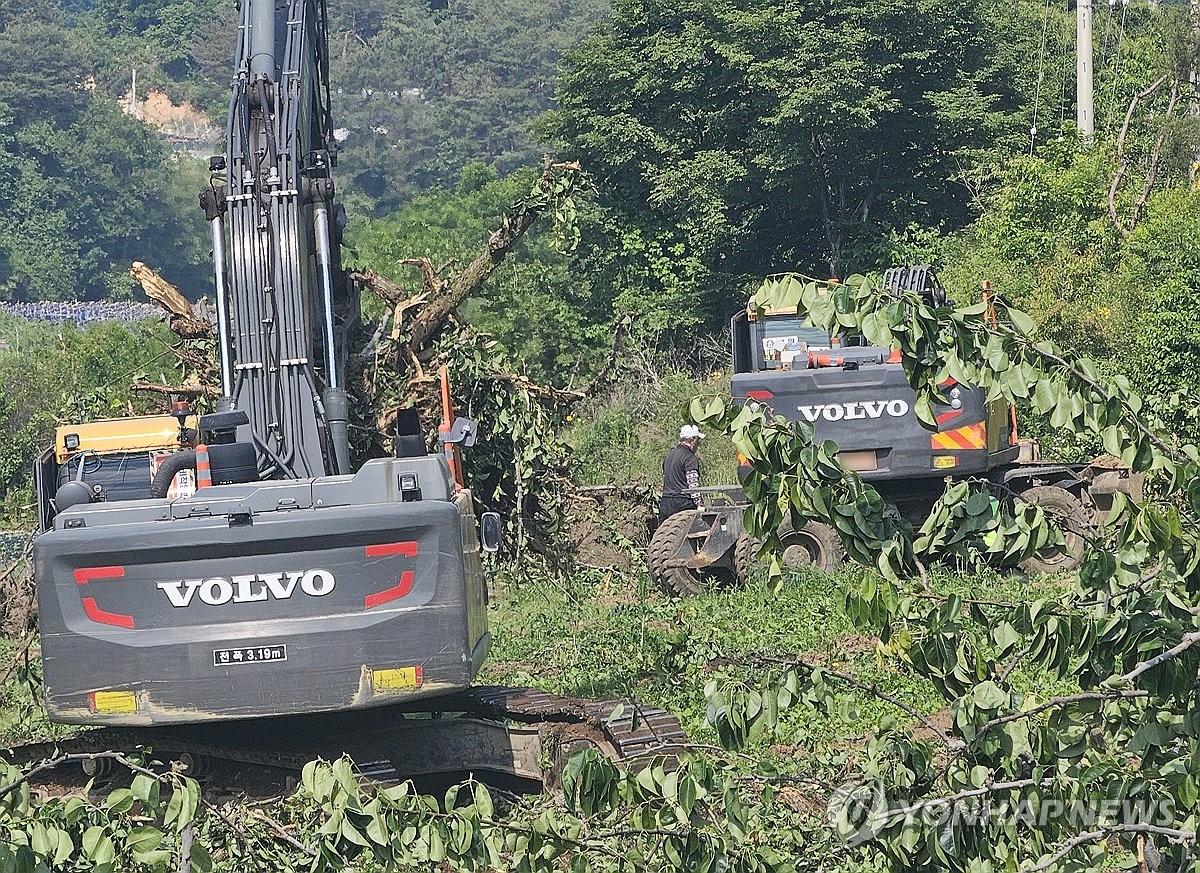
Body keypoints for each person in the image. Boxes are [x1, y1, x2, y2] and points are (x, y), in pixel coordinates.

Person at [659, 424, 704, 523]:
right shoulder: (689, 458)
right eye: (698, 440)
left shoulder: (669, 456)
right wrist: (700, 505)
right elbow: (693, 485)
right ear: (693, 440)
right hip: (682, 502)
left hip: (666, 502)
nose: (698, 444)